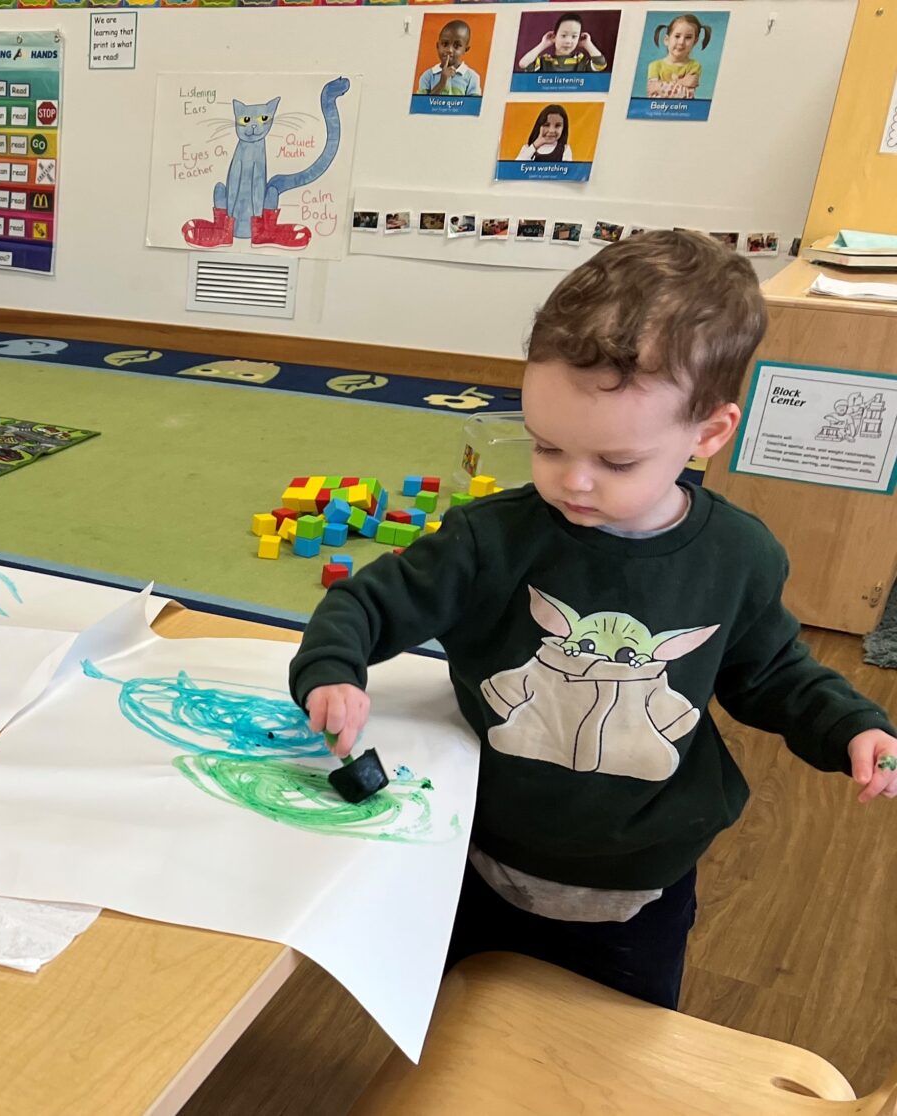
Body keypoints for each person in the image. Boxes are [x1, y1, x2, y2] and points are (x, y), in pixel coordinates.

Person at [289, 231, 897, 1010]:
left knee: (610, 1048)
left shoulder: (738, 557)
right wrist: (333, 668)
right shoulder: (490, 540)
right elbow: (366, 602)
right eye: (547, 446)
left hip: (639, 882)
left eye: (615, 462)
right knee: (458, 1032)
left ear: (708, 434)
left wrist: (850, 726)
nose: (572, 482)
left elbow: (773, 674)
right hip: (474, 857)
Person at [646, 13, 711, 99]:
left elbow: (687, 96)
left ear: (695, 42)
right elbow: (653, 95)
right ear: (666, 40)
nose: (681, 42)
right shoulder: (655, 66)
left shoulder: (695, 66)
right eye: (677, 36)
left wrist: (660, 87)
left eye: (688, 37)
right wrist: (681, 82)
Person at [518, 15, 608, 74]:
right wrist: (543, 44)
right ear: (554, 36)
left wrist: (588, 44)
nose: (568, 41)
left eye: (574, 36)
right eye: (564, 35)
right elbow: (523, 64)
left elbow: (601, 64)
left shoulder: (581, 61)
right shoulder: (544, 61)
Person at [416, 20, 483, 97]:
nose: (449, 50)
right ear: (438, 46)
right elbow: (422, 103)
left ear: (466, 49)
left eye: (456, 46)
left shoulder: (472, 77)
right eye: (445, 44)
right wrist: (442, 82)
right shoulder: (428, 76)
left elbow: (473, 104)